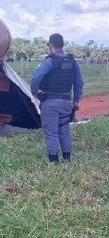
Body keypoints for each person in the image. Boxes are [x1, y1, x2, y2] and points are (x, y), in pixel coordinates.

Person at [31, 33, 83, 162]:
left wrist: (34, 92)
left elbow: (36, 78)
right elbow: (79, 82)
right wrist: (76, 100)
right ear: (62, 45)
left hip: (50, 103)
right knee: (64, 131)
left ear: (51, 45)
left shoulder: (49, 61)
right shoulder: (73, 62)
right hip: (66, 102)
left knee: (51, 133)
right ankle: (67, 159)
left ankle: (54, 161)